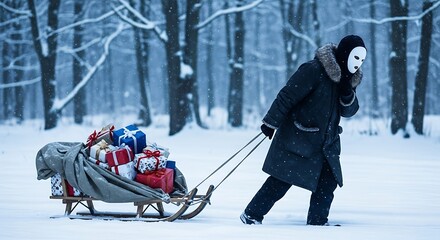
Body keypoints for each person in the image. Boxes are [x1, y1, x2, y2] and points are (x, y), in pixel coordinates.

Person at [240, 35, 367, 226]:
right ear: (345, 54)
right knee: (282, 180)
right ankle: (251, 215)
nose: (358, 63)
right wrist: (270, 123)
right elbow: (287, 96)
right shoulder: (314, 70)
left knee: (328, 181)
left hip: (326, 144)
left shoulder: (348, 79)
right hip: (299, 137)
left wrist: (347, 90)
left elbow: (349, 111)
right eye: (356, 57)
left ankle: (317, 222)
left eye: (362, 60)